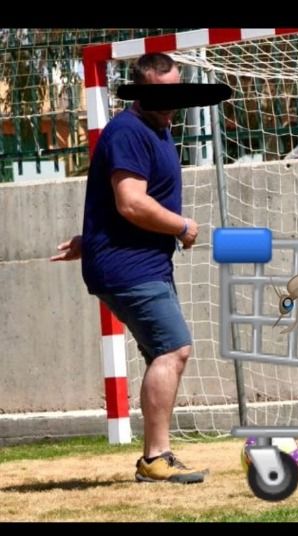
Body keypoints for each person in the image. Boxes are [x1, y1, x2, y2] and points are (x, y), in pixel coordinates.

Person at [51, 52, 208, 483]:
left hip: (136, 261)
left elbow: (114, 203)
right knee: (173, 350)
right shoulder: (129, 132)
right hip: (131, 268)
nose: (171, 100)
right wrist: (182, 226)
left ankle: (156, 457)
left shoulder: (159, 128)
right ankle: (156, 458)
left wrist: (92, 239)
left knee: (164, 353)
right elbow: (131, 201)